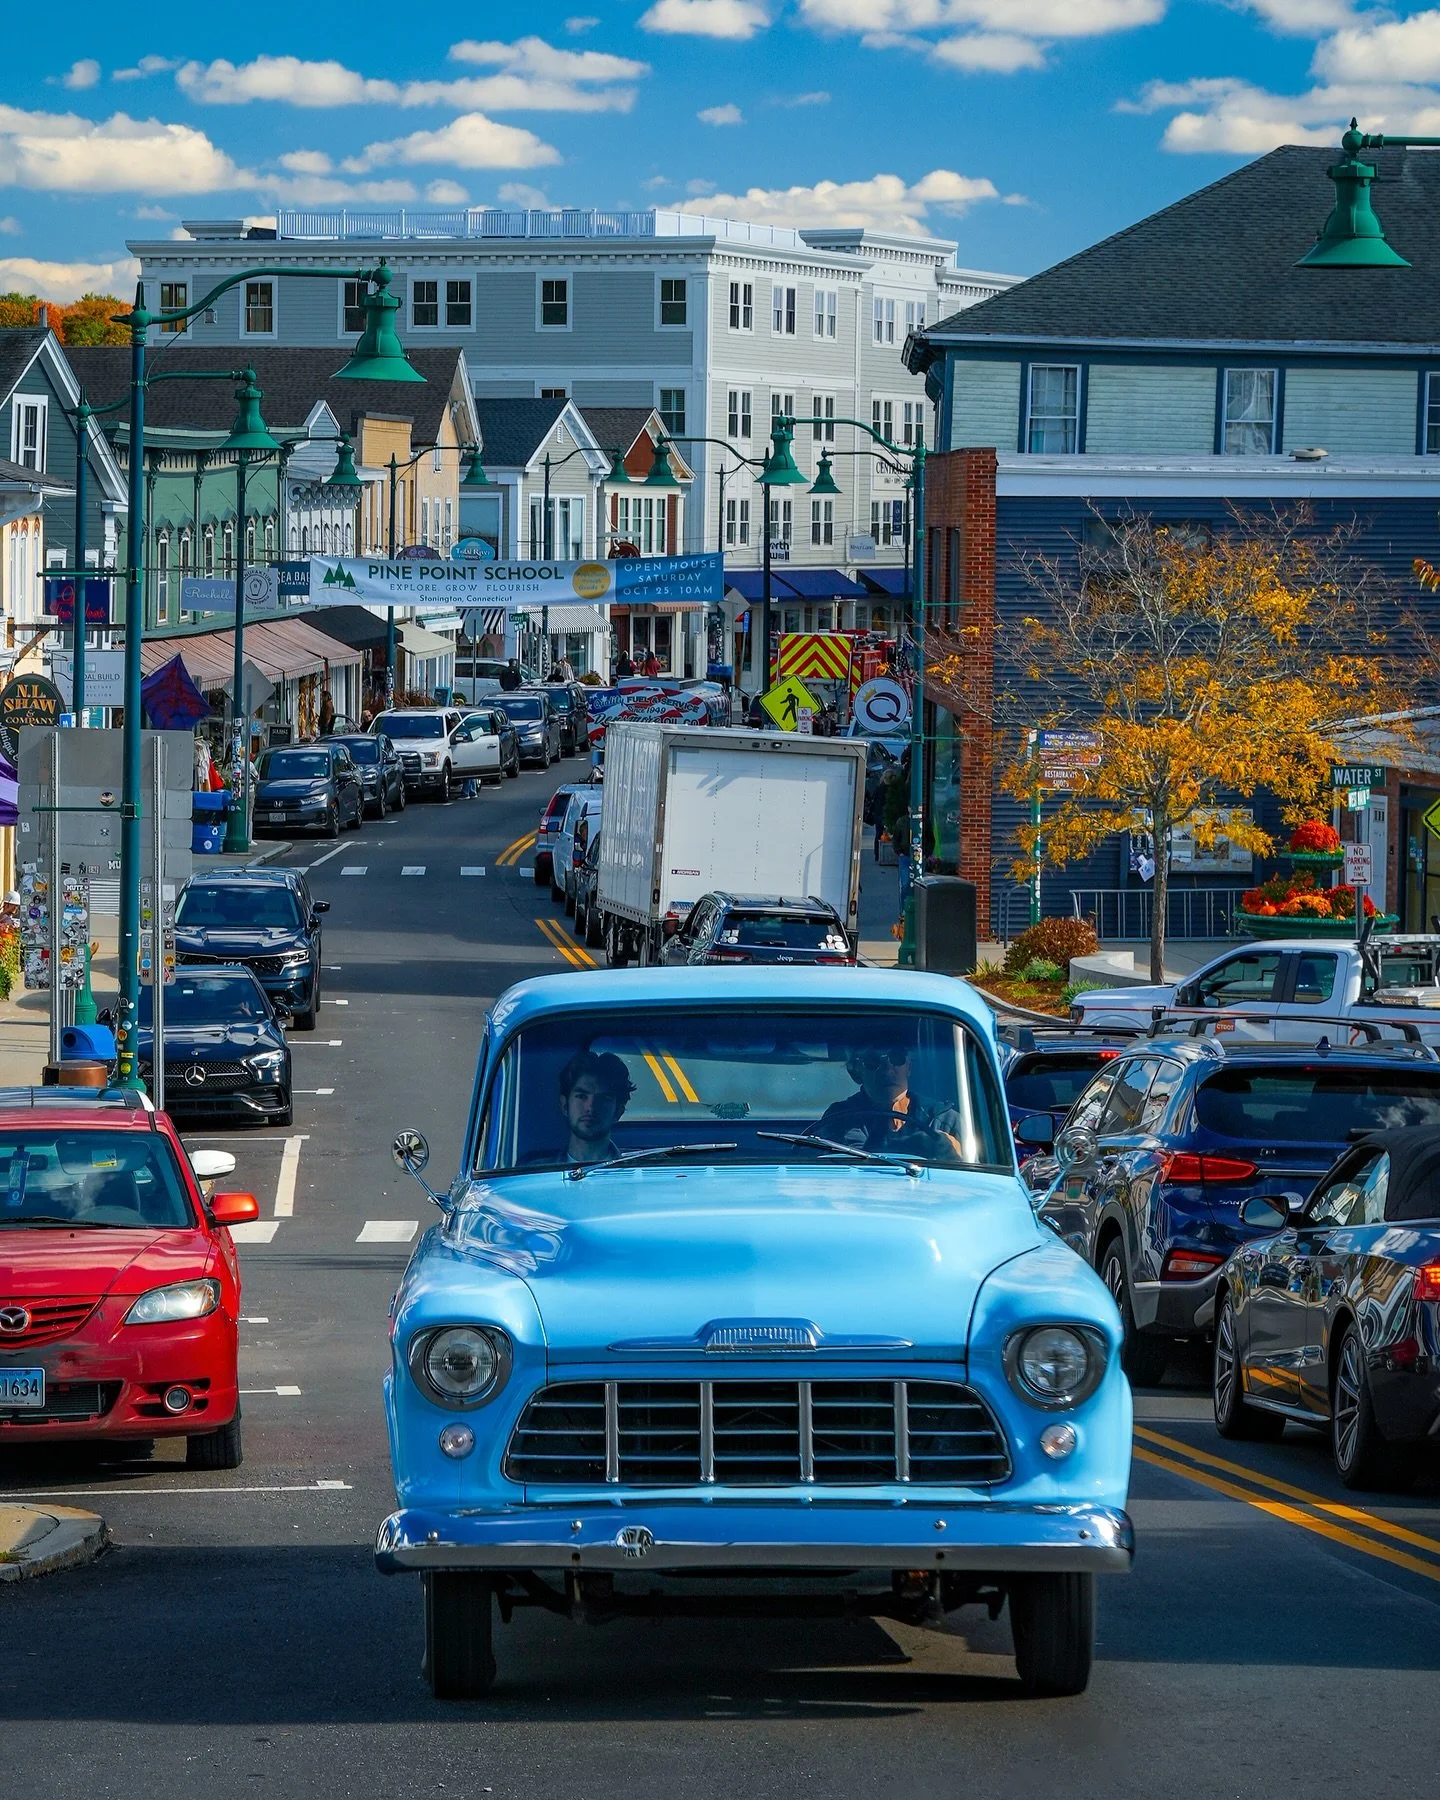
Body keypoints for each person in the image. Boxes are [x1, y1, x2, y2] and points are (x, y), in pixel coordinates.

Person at [815, 1039, 963, 1160]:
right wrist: (916, 1146)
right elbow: (854, 1166)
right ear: (855, 1072)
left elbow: (972, 1179)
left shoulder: (946, 1119)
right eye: (872, 1061)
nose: (887, 1069)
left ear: (909, 1067)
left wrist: (952, 1154)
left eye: (897, 1058)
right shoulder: (839, 1118)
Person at [551, 1049, 635, 1165]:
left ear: (618, 1112)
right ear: (565, 1105)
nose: (591, 1107)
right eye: (581, 1096)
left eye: (603, 1099)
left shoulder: (633, 1174)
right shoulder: (532, 1173)